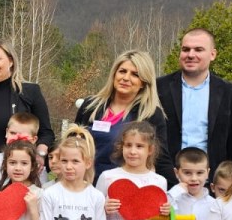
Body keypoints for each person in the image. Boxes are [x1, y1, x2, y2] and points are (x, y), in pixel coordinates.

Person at [155, 29, 232, 175]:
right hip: (166, 176)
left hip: (213, 180)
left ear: (213, 54)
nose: (191, 55)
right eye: (185, 49)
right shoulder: (157, 88)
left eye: (198, 49)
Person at [74, 50, 172, 182]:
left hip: (122, 189)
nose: (126, 78)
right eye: (122, 71)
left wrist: (179, 191)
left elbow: (161, 160)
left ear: (143, 82)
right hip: (83, 186)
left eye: (135, 75)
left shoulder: (151, 114)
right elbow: (73, 144)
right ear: (114, 74)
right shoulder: (90, 106)